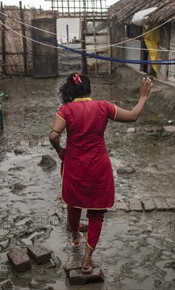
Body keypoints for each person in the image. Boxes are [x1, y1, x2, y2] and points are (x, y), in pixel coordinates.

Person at [48, 73, 153, 273]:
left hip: (75, 166)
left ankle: (75, 236)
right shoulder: (103, 106)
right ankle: (87, 261)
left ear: (69, 92)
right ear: (89, 90)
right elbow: (132, 116)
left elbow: (53, 135)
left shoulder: (66, 110)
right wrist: (143, 96)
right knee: (96, 215)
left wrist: (60, 150)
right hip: (98, 167)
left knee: (74, 202)